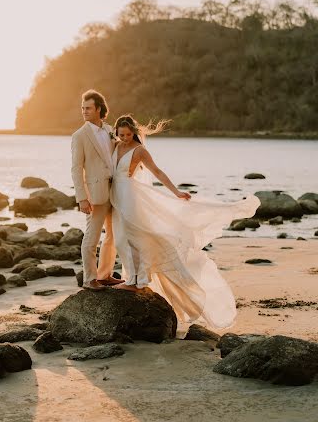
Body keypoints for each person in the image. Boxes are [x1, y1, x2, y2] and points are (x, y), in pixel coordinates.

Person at [109, 115, 260, 329]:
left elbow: (157, 172)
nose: (124, 138)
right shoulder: (114, 145)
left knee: (134, 237)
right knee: (122, 238)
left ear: (134, 132)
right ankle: (133, 278)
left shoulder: (139, 150)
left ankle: (137, 281)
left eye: (127, 134)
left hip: (131, 197)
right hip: (117, 196)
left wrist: (176, 192)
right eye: (120, 134)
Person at [71, 89, 123, 290]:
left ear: (99, 109)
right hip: (95, 194)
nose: (84, 111)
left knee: (112, 235)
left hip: (115, 191)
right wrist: (82, 198)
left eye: (88, 108)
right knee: (91, 237)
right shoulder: (79, 136)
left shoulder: (110, 129)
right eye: (82, 108)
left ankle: (105, 275)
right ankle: (89, 279)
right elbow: (76, 169)